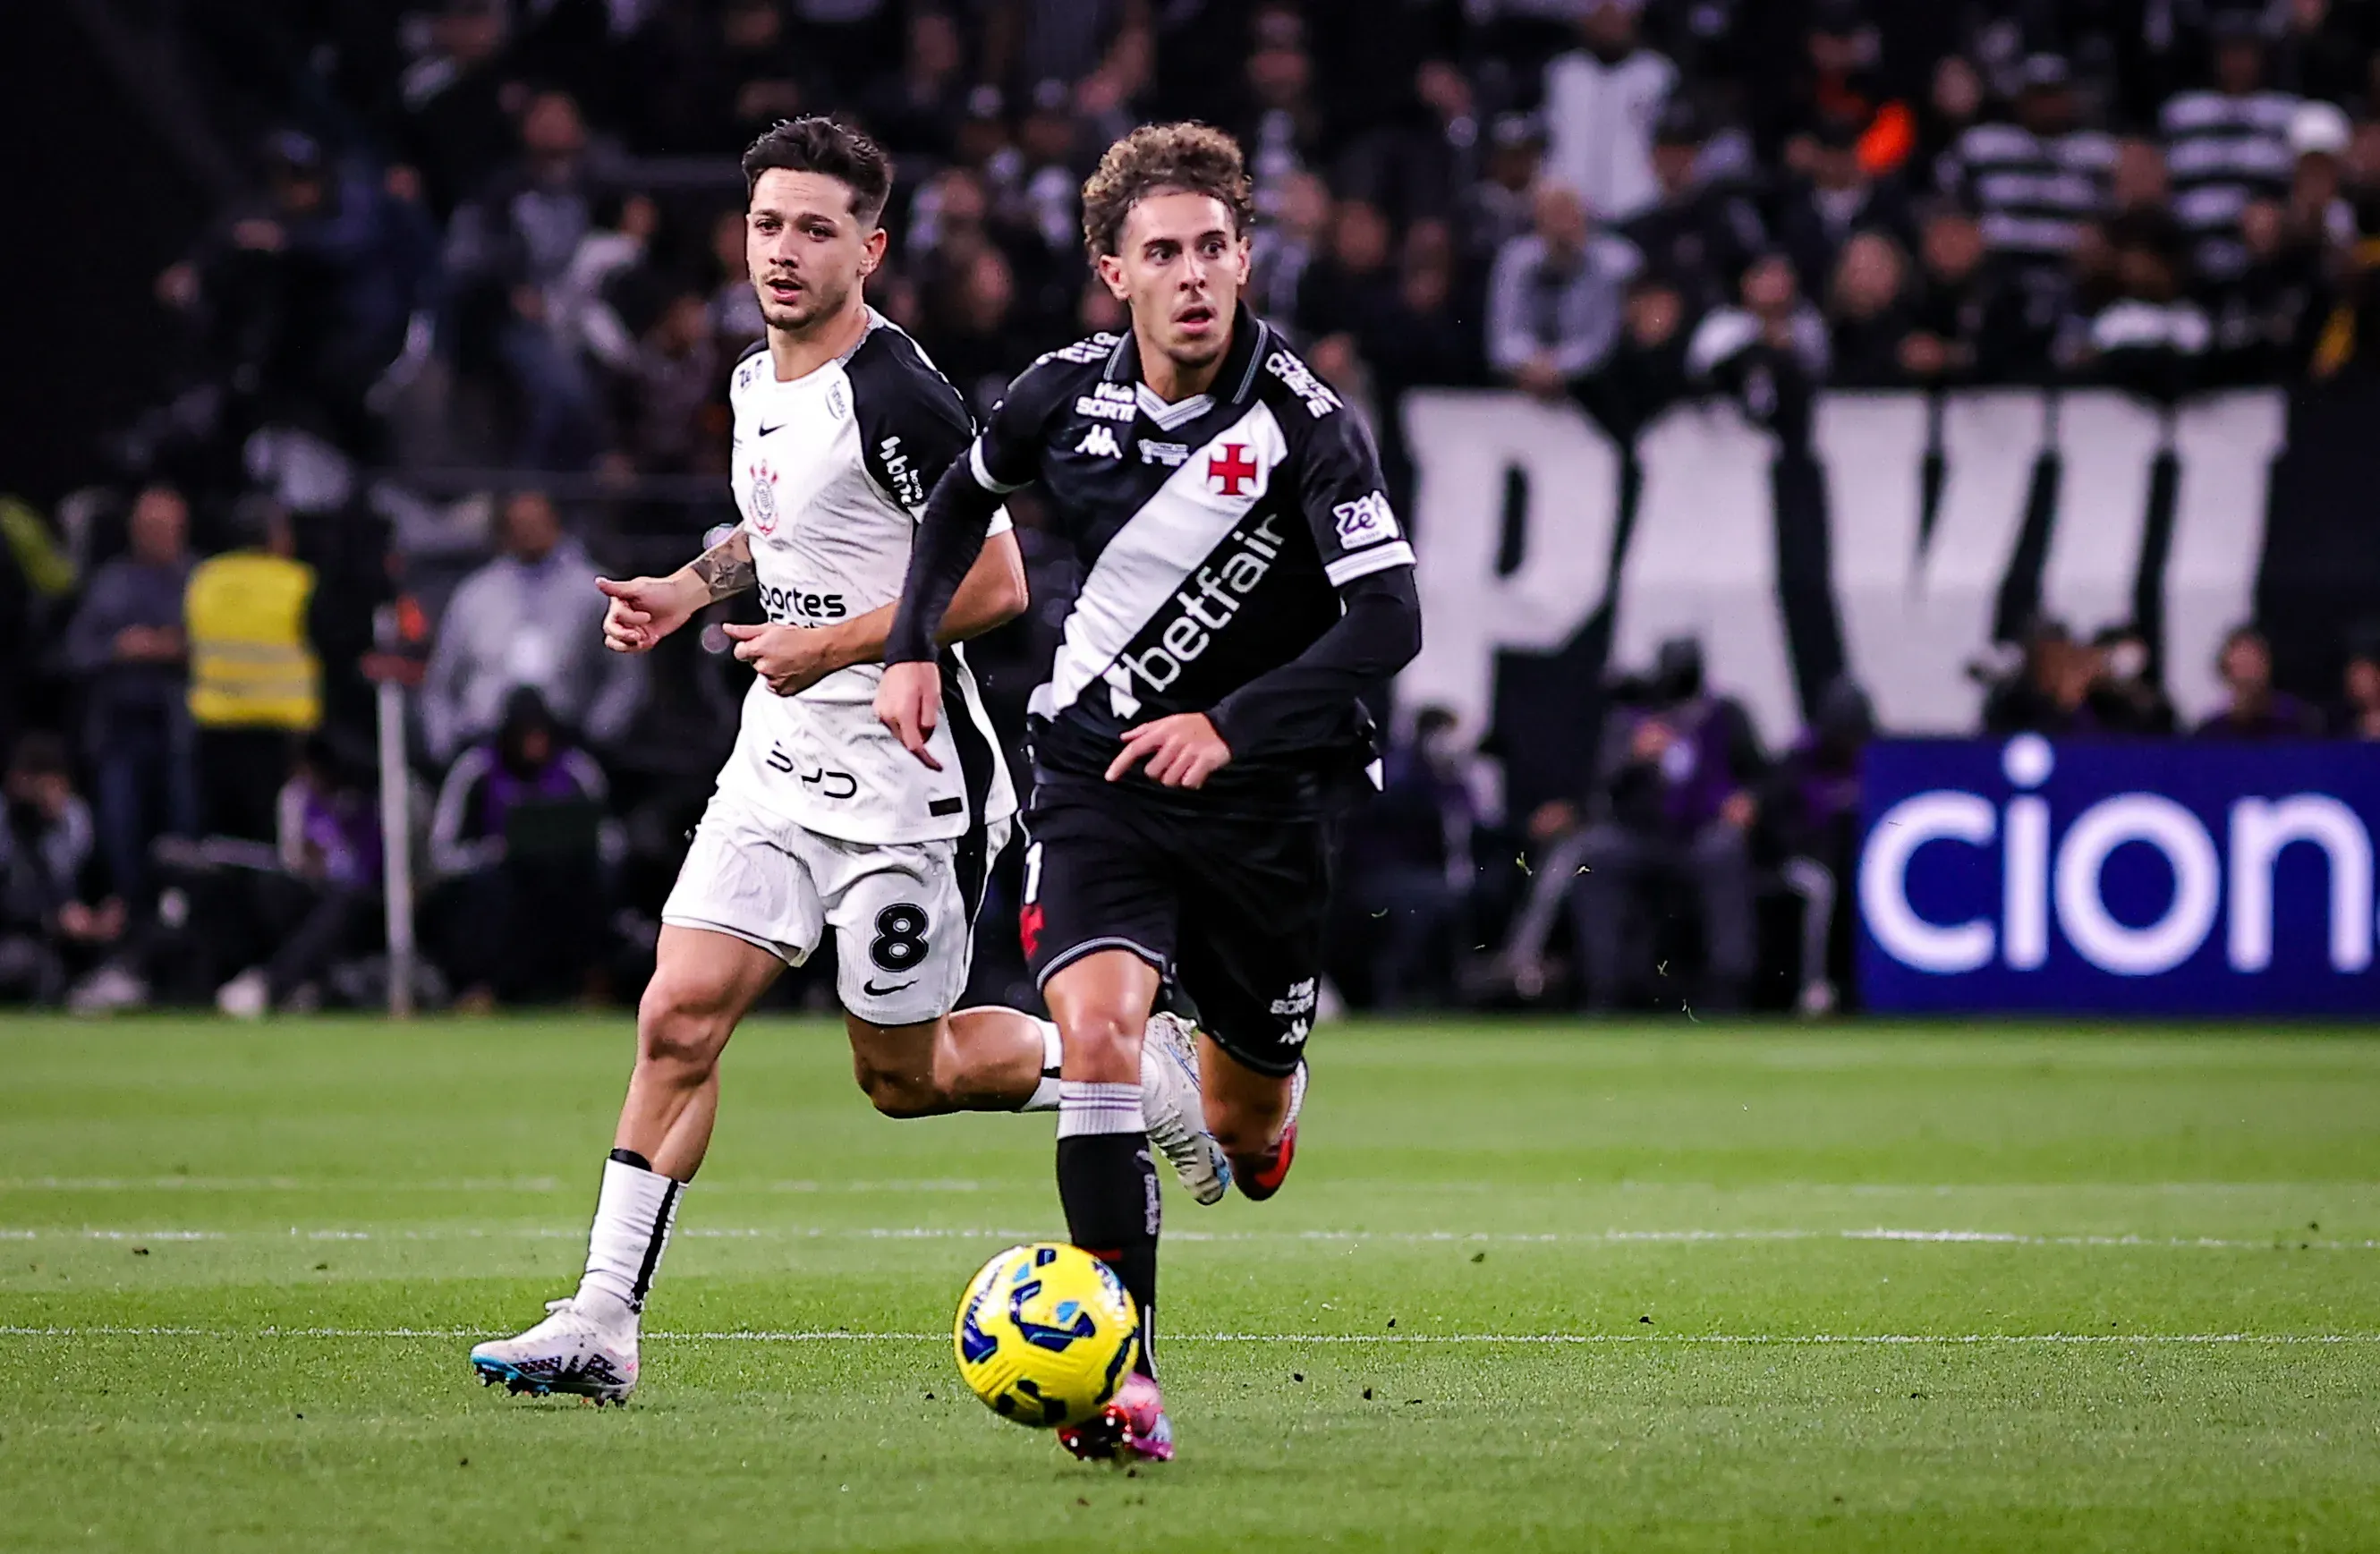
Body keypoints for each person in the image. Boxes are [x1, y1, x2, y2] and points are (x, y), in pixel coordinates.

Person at [467, 118, 1220, 1408]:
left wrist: (840, 652)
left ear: (870, 248)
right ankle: (601, 1318)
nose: (785, 250)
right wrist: (692, 588)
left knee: (902, 1076)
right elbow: (780, 531)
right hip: (777, 761)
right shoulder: (759, 380)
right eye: (768, 224)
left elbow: (994, 581)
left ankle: (1131, 1067)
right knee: (676, 1017)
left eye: (817, 228)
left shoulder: (900, 394)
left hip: (902, 780)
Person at [877, 123, 1424, 1462]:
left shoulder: (1304, 424)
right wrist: (906, 648)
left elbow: (1391, 621)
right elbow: (958, 503)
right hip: (1099, 775)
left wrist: (1232, 726)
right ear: (1111, 271)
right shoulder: (1059, 395)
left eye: (1214, 249)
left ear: (1246, 258)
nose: (1193, 275)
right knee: (1101, 1040)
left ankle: (1251, 1094)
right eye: (1163, 253)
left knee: (1243, 1124)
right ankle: (1126, 1382)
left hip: (1266, 806)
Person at [420, 489, 640, 763]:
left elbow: (626, 677)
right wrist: (445, 747)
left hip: (567, 743)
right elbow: (440, 683)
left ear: (556, 524)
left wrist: (599, 738)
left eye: (536, 524)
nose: (528, 533)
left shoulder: (593, 592)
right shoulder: (475, 594)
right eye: (519, 526)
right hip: (483, 742)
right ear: (505, 531)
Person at [428, 687, 615, 1008]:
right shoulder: (476, 770)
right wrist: (491, 853)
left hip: (564, 873)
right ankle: (484, 987)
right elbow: (442, 853)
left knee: (582, 883)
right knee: (492, 890)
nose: (535, 744)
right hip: (494, 876)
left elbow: (610, 839)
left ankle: (586, 983)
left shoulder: (576, 769)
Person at [64, 485, 198, 901]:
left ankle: (182, 915)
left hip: (180, 728)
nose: (153, 535)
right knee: (120, 830)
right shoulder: (112, 582)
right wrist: (120, 647)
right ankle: (129, 917)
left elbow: (223, 646)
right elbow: (76, 651)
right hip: (119, 730)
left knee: (185, 829)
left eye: (163, 526)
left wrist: (176, 647)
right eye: (146, 526)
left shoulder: (202, 579)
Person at [2194, 624, 2322, 737]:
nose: (2248, 675)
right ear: (2225, 670)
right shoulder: (2211, 734)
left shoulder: (2299, 722)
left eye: (2254, 663)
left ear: (2269, 666)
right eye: (2241, 665)